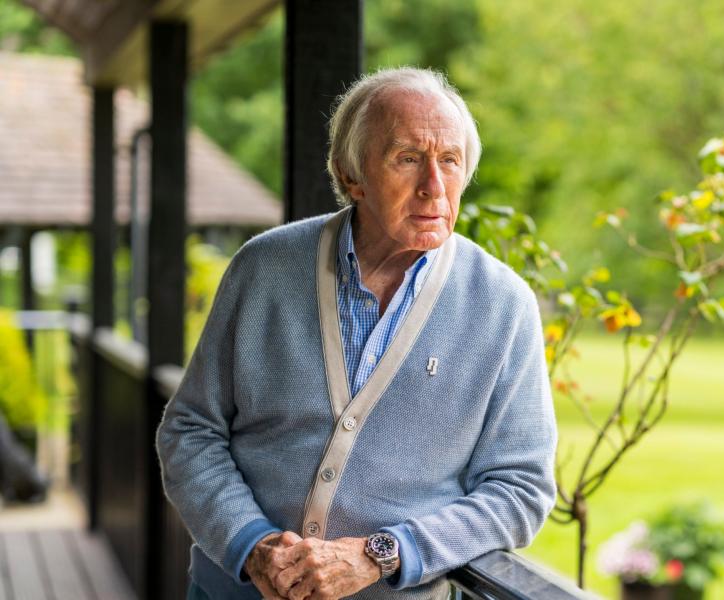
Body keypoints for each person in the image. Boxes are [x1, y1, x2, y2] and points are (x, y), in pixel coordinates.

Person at [156, 67, 557, 600]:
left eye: (450, 161)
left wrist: (380, 554)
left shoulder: (502, 306)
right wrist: (252, 547)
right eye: (408, 158)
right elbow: (190, 431)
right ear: (352, 174)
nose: (433, 186)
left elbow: (521, 489)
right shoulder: (264, 268)